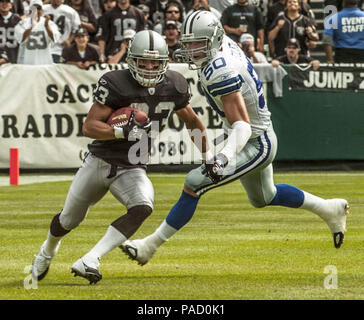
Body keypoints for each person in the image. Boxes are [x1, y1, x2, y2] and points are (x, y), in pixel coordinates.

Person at [121, 11, 349, 267]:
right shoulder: (222, 44)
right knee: (264, 197)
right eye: (189, 43)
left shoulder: (220, 69)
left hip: (256, 140)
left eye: (198, 44)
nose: (192, 50)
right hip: (250, 132)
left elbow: (243, 127)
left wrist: (222, 158)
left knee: (194, 182)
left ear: (214, 39)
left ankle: (148, 246)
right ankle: (330, 209)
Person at [31, 30, 209, 284]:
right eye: (143, 62)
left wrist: (209, 156)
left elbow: (191, 120)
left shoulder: (175, 84)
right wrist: (121, 131)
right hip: (99, 161)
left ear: (165, 62)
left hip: (132, 166)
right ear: (131, 60)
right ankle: (48, 249)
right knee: (69, 219)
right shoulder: (116, 82)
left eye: (155, 63)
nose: (149, 68)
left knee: (143, 206)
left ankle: (90, 258)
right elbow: (89, 127)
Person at [14, 0, 60, 64]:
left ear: (42, 11)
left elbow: (55, 39)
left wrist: (47, 26)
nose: (36, 11)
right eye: (34, 9)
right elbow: (21, 39)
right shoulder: (22, 23)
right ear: (30, 11)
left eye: (39, 9)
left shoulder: (49, 23)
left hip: (44, 61)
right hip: (27, 61)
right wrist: (31, 26)